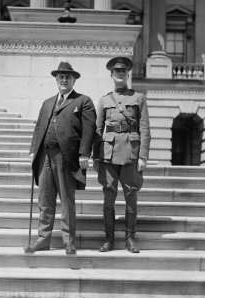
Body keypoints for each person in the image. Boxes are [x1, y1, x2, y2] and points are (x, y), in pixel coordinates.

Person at [28, 61, 96, 255]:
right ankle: (42, 240)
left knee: (67, 200)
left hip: (66, 157)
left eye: (68, 77)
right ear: (56, 80)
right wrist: (34, 150)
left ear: (74, 80)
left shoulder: (83, 101)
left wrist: (84, 153)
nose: (64, 80)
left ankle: (68, 242)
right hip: (45, 156)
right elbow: (39, 127)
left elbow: (89, 130)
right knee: (45, 200)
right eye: (60, 77)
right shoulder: (47, 102)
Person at [93, 56, 151, 253]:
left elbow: (144, 128)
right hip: (108, 155)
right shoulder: (104, 100)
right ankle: (109, 239)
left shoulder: (138, 98)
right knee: (108, 197)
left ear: (128, 74)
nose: (120, 74)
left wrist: (143, 156)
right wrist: (96, 157)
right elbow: (97, 130)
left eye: (123, 71)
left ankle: (130, 238)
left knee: (131, 196)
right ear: (111, 75)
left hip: (130, 154)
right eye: (116, 71)